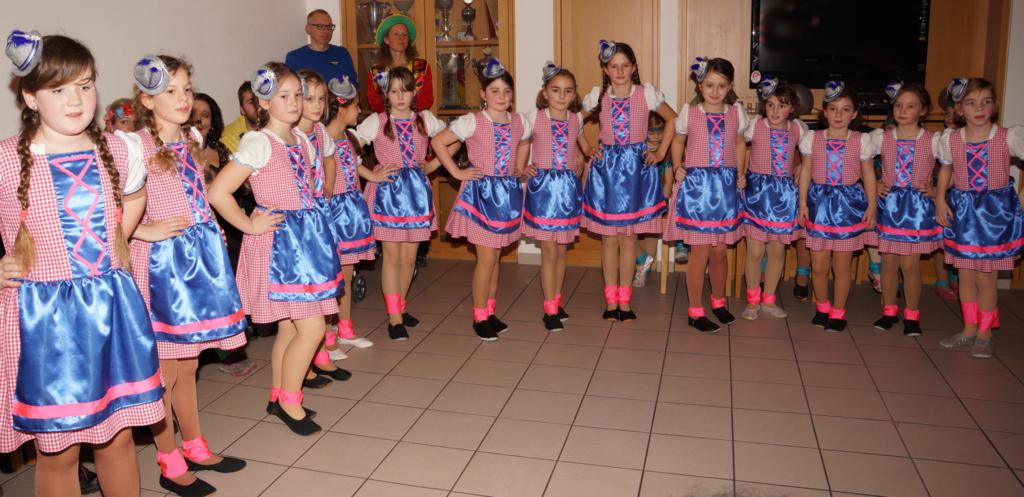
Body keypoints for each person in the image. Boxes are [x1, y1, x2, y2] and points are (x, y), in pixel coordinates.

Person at [0, 30, 164, 497]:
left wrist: (118, 240)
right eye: (58, 89)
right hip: (45, 322)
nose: (76, 100)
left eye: (85, 85)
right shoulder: (6, 161)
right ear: (30, 96)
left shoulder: (121, 149)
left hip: (111, 310)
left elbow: (135, 197)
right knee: (60, 451)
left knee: (118, 437)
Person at [127, 54, 248, 496]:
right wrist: (144, 229)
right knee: (165, 370)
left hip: (196, 261)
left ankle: (195, 444)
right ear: (147, 100)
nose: (182, 99)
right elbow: (111, 208)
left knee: (189, 363)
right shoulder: (134, 146)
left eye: (186, 89)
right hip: (162, 267)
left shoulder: (192, 137)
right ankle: (168, 459)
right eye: (170, 91)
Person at [209, 62, 343, 436]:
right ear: (264, 102)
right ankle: (290, 401)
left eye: (298, 94)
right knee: (312, 328)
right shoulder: (259, 142)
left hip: (305, 242)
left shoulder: (301, 138)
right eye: (284, 96)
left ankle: (277, 395)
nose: (295, 102)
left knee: (288, 329)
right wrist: (250, 224)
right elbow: (218, 192)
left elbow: (308, 187)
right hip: (282, 248)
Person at [580, 40, 676, 322]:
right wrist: (587, 148)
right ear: (605, 69)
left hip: (636, 171)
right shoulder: (598, 96)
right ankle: (611, 301)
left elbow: (673, 120)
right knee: (609, 239)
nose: (619, 71)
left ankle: (625, 300)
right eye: (613, 66)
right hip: (607, 172)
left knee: (629, 237)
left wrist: (660, 152)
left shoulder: (646, 94)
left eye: (624, 66)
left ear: (634, 67)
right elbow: (573, 121)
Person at [433, 57, 526, 340]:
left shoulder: (518, 121)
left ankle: (490, 311)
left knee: (496, 258)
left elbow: (525, 141)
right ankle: (479, 316)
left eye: (506, 91)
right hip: (481, 197)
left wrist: (519, 167)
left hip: (506, 197)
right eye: (494, 91)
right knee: (486, 259)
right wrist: (457, 172)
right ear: (484, 94)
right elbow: (438, 142)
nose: (501, 96)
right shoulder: (472, 121)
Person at [352, 67, 446, 341]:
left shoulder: (425, 119)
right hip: (388, 196)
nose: (400, 96)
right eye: (394, 91)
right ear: (386, 94)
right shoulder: (377, 121)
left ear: (415, 92)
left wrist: (432, 165)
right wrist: (371, 174)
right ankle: (394, 317)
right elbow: (347, 148)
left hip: (416, 196)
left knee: (409, 258)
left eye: (405, 90)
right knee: (391, 259)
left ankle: (400, 307)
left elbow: (452, 140)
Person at [936, 77, 1024, 358]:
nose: (979, 109)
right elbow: (947, 169)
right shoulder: (950, 139)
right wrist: (940, 198)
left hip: (994, 216)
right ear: (960, 109)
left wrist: (1021, 199)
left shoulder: (1007, 137)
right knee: (965, 275)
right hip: (963, 213)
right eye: (971, 103)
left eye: (986, 102)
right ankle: (969, 328)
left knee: (987, 278)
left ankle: (985, 333)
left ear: (994, 106)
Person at [666, 57, 747, 333]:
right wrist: (677, 166)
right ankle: (695, 310)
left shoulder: (736, 113)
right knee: (699, 252)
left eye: (721, 86)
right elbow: (678, 140)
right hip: (698, 191)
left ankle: (718, 302)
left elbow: (739, 143)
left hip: (724, 190)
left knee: (720, 252)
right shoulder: (690, 113)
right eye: (709, 85)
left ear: (730, 87)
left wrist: (740, 171)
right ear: (700, 85)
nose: (715, 91)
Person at [798, 81, 878, 333]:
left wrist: (872, 205)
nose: (838, 115)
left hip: (848, 207)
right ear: (825, 112)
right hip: (819, 205)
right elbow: (806, 171)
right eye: (833, 109)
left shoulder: (861, 140)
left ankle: (839, 311)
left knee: (842, 267)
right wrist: (802, 203)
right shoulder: (812, 138)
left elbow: (869, 175)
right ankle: (822, 307)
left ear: (854, 114)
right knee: (819, 265)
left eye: (845, 109)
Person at [294, 68, 358, 381]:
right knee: (308, 293)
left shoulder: (319, 131)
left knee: (324, 286)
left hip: (321, 217)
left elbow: (330, 158)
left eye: (321, 99)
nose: (317, 105)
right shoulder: (292, 135)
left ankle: (320, 354)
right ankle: (307, 363)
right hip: (301, 223)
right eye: (310, 99)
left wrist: (328, 188)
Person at [519, 62, 592, 331]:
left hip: (568, 192)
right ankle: (549, 308)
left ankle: (556, 300)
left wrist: (583, 158)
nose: (562, 96)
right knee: (549, 251)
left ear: (574, 94)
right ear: (545, 92)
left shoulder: (576, 120)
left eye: (568, 91)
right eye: (556, 90)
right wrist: (522, 167)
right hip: (544, 192)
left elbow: (583, 146)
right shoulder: (534, 117)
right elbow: (520, 143)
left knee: (561, 251)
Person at [869, 82, 942, 337]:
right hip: (890, 206)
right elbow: (857, 159)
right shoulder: (882, 138)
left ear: (923, 110)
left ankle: (912, 315)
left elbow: (956, 165)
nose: (902, 110)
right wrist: (874, 183)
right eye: (898, 105)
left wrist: (938, 190)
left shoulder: (934, 140)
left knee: (910, 266)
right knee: (889, 263)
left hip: (916, 211)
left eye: (910, 106)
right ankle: (889, 311)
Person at [740, 76, 807, 321]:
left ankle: (769, 299)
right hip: (757, 195)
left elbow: (812, 154)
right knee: (755, 251)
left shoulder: (798, 129)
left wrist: (802, 165)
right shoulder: (755, 125)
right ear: (764, 106)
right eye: (770, 105)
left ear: (792, 108)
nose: (775, 111)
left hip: (783, 198)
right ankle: (752, 301)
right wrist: (739, 172)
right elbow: (736, 144)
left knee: (777, 251)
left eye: (782, 105)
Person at [324, 76, 377, 353]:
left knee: (346, 274)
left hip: (350, 210)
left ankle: (344, 327)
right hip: (332, 213)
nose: (359, 111)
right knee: (330, 276)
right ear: (341, 109)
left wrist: (375, 177)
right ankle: (326, 336)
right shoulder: (320, 139)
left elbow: (354, 166)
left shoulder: (348, 137)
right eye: (356, 106)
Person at [633, 112, 674, 288]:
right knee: (627, 232)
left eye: (660, 132)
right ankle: (642, 258)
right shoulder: (638, 150)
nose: (657, 136)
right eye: (652, 132)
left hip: (657, 201)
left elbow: (669, 180)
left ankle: (643, 270)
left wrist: (662, 202)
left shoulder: (666, 152)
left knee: (651, 233)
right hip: (636, 200)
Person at [367, 14, 433, 113]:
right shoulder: (376, 72)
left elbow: (427, 101)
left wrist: (407, 113)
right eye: (396, 34)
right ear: (386, 40)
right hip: (387, 120)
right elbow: (374, 105)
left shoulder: (421, 66)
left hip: (416, 119)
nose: (401, 38)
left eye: (405, 34)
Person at [285, 9, 358, 89]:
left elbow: (353, 86)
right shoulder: (294, 57)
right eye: (320, 26)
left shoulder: (342, 53)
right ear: (308, 29)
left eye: (329, 27)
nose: (326, 31)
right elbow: (291, 89)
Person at [191, 92, 230, 169]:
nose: (198, 119)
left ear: (212, 123)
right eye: (193, 114)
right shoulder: (177, 152)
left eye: (205, 115)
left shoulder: (221, 150)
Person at [220, 82, 260, 153]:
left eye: (260, 100)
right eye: (251, 102)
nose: (258, 105)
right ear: (242, 109)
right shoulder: (228, 137)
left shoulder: (277, 125)